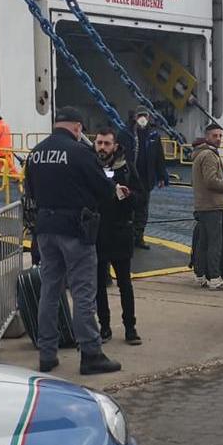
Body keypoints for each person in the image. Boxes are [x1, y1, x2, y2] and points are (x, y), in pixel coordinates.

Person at [22, 106, 122, 375]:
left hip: (44, 229)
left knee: (50, 291)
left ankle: (47, 354)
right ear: (77, 128)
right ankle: (91, 353)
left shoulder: (36, 153)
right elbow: (103, 189)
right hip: (76, 230)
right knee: (83, 293)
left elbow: (29, 190)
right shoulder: (80, 152)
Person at [93, 128, 143, 345]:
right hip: (97, 234)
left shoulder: (126, 168)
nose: (102, 147)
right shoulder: (90, 166)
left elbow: (141, 197)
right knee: (98, 285)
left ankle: (130, 327)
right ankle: (104, 326)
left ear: (115, 146)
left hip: (121, 231)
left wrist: (128, 196)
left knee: (125, 283)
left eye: (107, 143)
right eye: (99, 143)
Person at [191, 123, 223, 290]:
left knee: (202, 243)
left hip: (202, 205)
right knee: (215, 243)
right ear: (207, 137)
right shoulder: (210, 156)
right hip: (212, 205)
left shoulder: (198, 154)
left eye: (220, 136)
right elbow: (211, 180)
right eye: (215, 136)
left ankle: (200, 276)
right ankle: (215, 278)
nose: (219, 139)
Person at [127, 107, 169, 249]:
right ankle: (128, 238)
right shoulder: (127, 134)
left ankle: (139, 238)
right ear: (134, 117)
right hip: (130, 179)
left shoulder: (153, 136)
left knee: (143, 210)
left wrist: (162, 176)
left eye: (145, 115)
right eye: (140, 115)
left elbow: (159, 157)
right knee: (128, 210)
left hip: (146, 179)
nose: (143, 118)